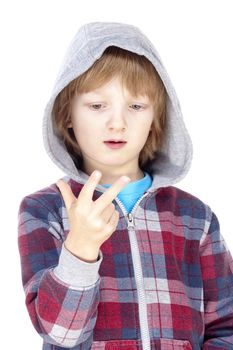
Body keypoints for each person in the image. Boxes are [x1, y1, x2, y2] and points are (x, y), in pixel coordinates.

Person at [17, 21, 233, 350]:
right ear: (68, 115)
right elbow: (60, 333)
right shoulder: (45, 210)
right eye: (97, 105)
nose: (117, 122)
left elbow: (226, 325)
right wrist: (81, 249)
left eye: (135, 106)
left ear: (156, 118)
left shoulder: (195, 218)